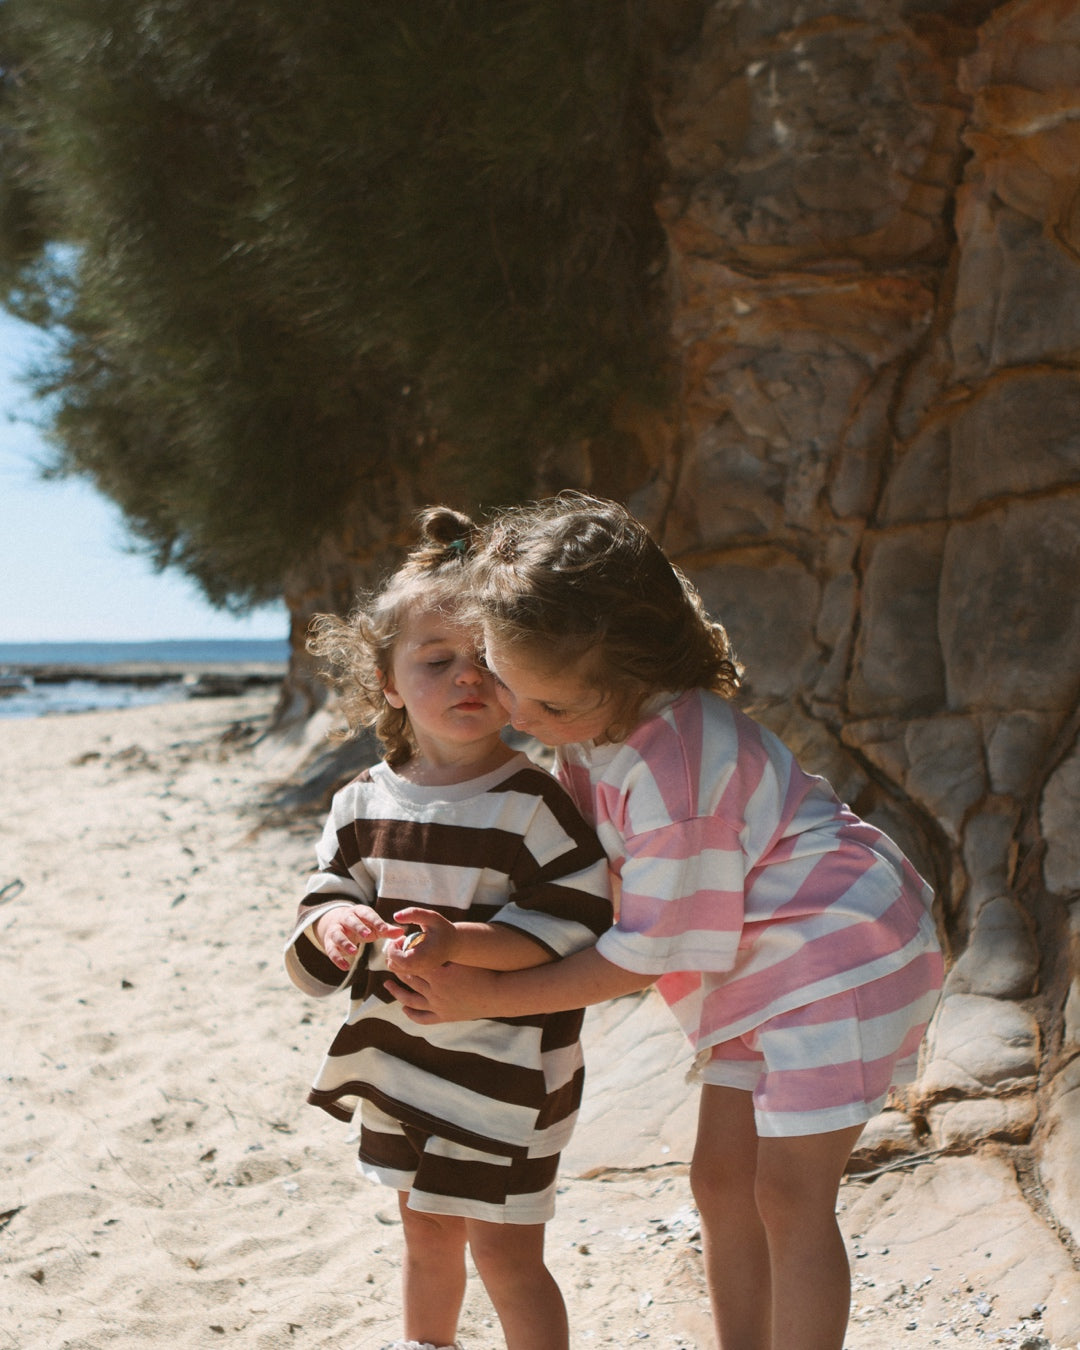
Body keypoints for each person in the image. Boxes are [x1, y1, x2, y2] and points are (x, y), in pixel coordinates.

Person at [386, 492, 944, 1350]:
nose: (520, 716)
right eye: (506, 682)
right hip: (756, 966)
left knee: (791, 1196)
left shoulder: (675, 772)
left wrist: (489, 999)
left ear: (633, 675)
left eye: (547, 706)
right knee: (722, 1181)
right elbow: (581, 882)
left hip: (842, 954)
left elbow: (640, 953)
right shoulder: (590, 718)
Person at [284, 506, 613, 1350]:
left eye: (487, 662)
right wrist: (335, 928)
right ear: (389, 683)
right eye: (437, 661)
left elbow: (574, 919)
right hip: (402, 1059)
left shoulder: (536, 802)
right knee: (424, 1234)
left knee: (506, 1253)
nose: (467, 679)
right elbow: (324, 895)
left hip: (507, 1075)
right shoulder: (361, 803)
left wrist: (464, 943)